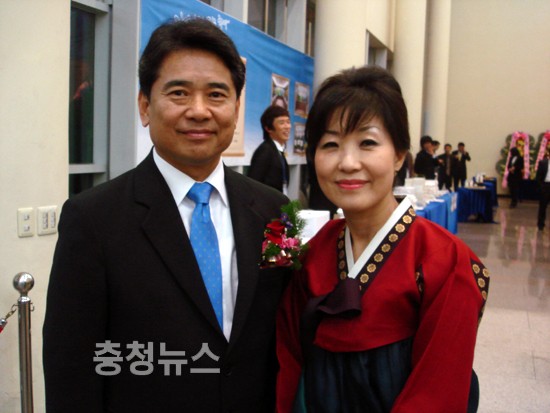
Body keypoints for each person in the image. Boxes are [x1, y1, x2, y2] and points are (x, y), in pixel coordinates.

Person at [43, 18, 291, 413]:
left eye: (216, 94)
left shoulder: (274, 210)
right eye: (179, 93)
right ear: (145, 105)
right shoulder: (92, 219)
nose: (199, 111)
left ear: (236, 108)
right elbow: (72, 368)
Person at [276, 66, 489, 413]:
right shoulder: (315, 250)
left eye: (368, 143)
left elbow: (439, 391)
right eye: (330, 144)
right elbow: (288, 358)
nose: (347, 163)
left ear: (399, 155)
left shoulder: (444, 260)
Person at [248, 105, 291, 194]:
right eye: (281, 123)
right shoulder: (265, 150)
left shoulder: (278, 150)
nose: (287, 126)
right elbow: (253, 184)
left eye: (288, 122)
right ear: (268, 128)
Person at [536, 148, 550, 230]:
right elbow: (538, 177)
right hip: (546, 186)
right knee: (543, 206)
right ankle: (541, 224)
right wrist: (541, 187)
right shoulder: (543, 163)